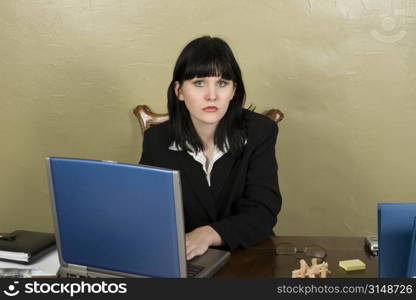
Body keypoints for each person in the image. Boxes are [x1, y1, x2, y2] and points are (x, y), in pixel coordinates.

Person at [139, 36, 282, 260]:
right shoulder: (156, 140)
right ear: (179, 91)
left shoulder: (260, 132)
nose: (212, 96)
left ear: (234, 90)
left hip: (247, 255)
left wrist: (209, 234)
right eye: (199, 83)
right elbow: (148, 213)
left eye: (222, 83)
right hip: (186, 258)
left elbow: (263, 211)